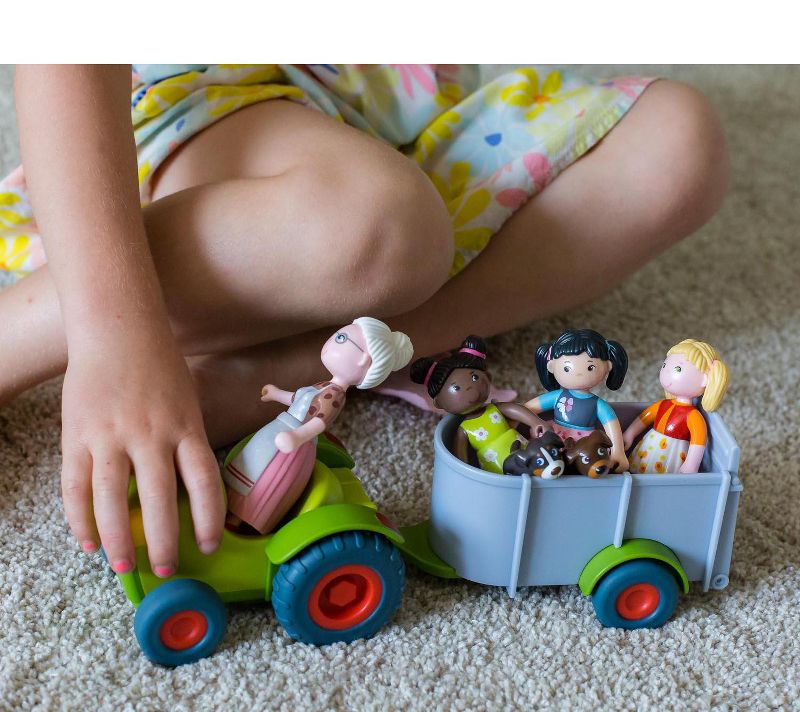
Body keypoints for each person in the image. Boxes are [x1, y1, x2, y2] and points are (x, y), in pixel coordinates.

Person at [0, 65, 729, 576]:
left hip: (405, 114)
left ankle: (300, 363)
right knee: (378, 229)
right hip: (204, 97)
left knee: (678, 139)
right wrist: (115, 338)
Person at [224, 317, 412, 534]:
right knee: (251, 464)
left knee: (265, 480)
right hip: (281, 427)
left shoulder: (335, 395)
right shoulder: (324, 385)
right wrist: (275, 393)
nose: (331, 341)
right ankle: (229, 503)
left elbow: (319, 421)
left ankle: (241, 520)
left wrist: (297, 437)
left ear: (363, 360)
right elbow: (298, 400)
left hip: (293, 442)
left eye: (341, 338)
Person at [410, 335, 546, 472]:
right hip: (495, 465)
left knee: (542, 464)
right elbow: (461, 456)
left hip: (524, 448)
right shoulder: (464, 429)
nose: (470, 389)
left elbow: (515, 409)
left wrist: (536, 422)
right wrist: (464, 471)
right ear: (439, 403)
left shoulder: (494, 409)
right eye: (456, 388)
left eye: (474, 377)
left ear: (488, 377)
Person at [524, 329, 630, 471]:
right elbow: (528, 409)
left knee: (587, 461)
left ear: (608, 367)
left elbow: (612, 426)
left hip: (584, 442)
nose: (578, 374)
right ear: (551, 367)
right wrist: (517, 420)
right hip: (555, 434)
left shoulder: (597, 404)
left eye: (590, 367)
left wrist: (618, 452)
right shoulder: (557, 396)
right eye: (567, 368)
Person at [623, 339, 729, 474]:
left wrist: (691, 464)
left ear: (704, 379)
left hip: (672, 452)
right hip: (649, 447)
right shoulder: (662, 405)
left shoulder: (693, 416)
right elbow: (644, 418)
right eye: (665, 365)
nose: (667, 373)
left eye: (678, 369)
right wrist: (629, 434)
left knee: (666, 478)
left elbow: (697, 442)